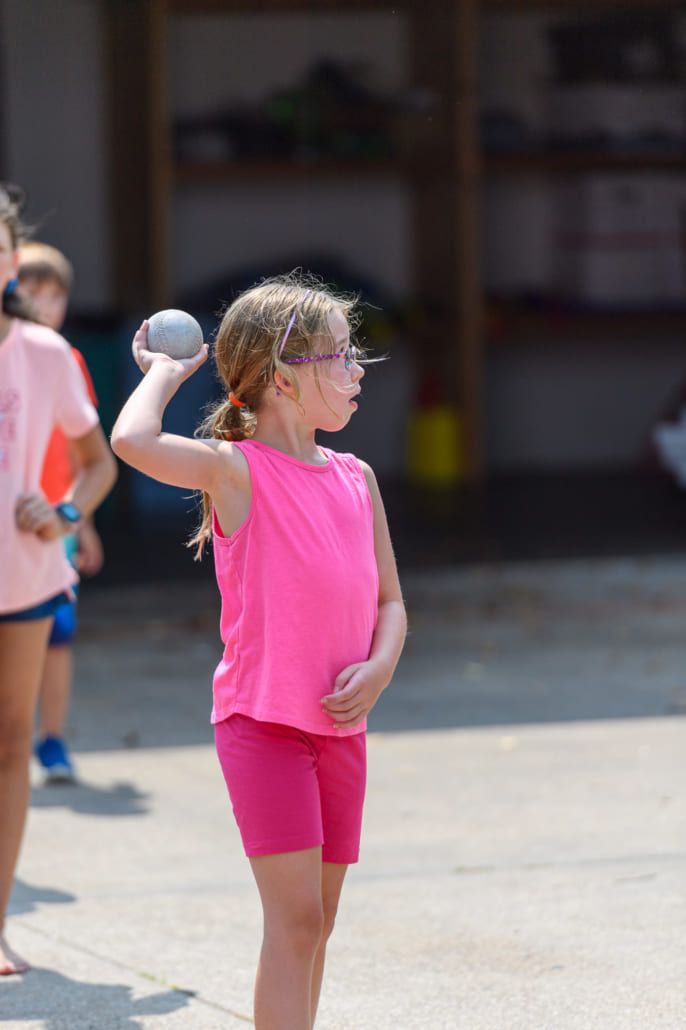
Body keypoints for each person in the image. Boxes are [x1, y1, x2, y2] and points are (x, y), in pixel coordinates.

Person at [111, 274, 407, 1029]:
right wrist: (168, 373)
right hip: (264, 726)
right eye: (339, 356)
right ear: (282, 379)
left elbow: (391, 606)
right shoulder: (235, 469)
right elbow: (131, 441)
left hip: (343, 728)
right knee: (297, 923)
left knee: (321, 924)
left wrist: (379, 669)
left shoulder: (356, 477)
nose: (357, 371)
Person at [0, 183, 117, 975]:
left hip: (27, 578)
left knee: (11, 745)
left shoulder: (43, 351)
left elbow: (96, 461)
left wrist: (66, 517)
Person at [17, 241, 105, 783]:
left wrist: (82, 520)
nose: (47, 305)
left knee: (58, 634)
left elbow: (87, 454)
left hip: (57, 523)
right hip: (13, 522)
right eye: (34, 292)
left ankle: (52, 740)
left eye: (57, 295)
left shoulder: (65, 360)